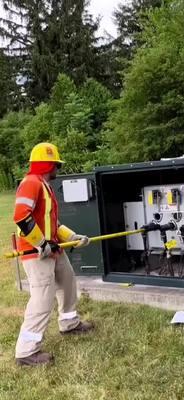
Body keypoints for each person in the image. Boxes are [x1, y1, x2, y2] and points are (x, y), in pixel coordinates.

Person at [13, 142, 94, 366]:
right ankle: (26, 351)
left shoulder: (44, 186)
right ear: (48, 164)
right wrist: (41, 243)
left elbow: (53, 223)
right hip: (36, 253)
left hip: (53, 251)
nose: (58, 169)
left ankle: (69, 323)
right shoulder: (31, 183)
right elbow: (21, 216)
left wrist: (73, 237)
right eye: (56, 164)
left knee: (67, 282)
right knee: (42, 298)